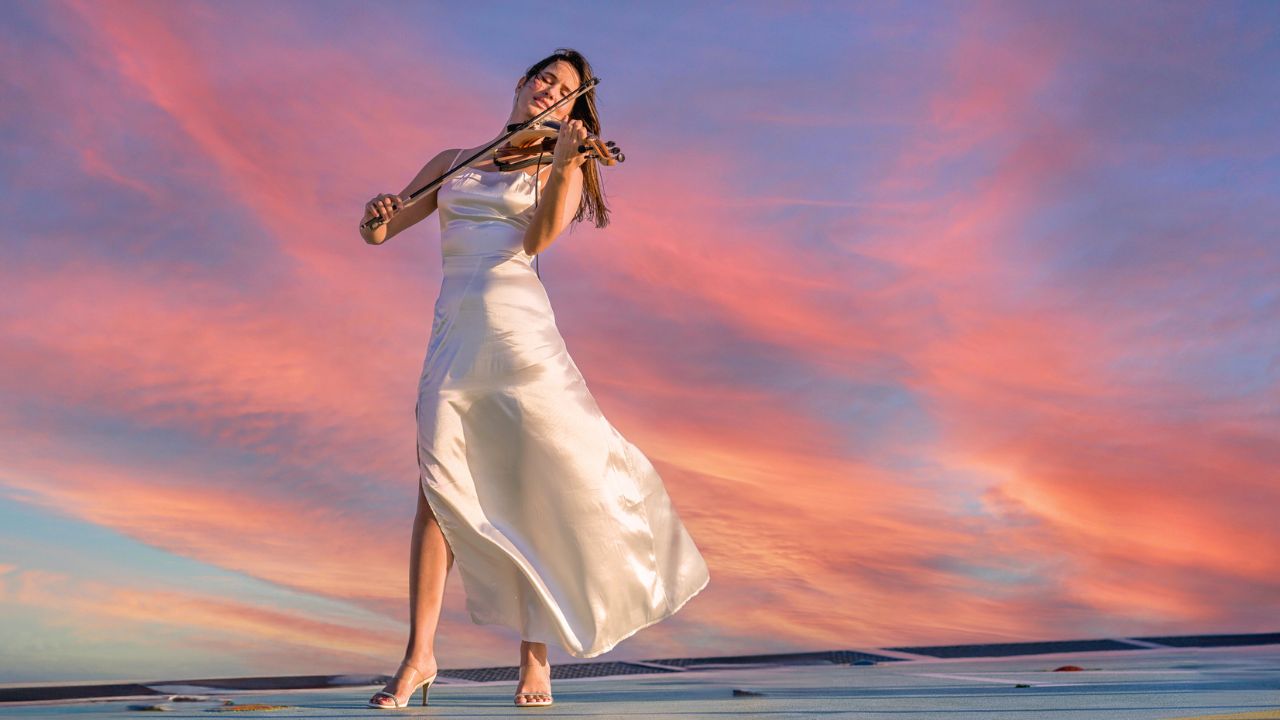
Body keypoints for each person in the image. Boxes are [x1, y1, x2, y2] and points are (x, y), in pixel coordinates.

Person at [357, 49, 710, 709]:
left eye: (567, 90)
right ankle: (419, 657)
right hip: (452, 339)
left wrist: (566, 160)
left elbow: (540, 238)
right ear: (523, 84)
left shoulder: (562, 162)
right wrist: (376, 213)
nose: (551, 90)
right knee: (436, 491)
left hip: (520, 339)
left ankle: (536, 660)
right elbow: (381, 231)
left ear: (575, 107)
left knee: (530, 485)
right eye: (545, 78)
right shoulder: (454, 161)